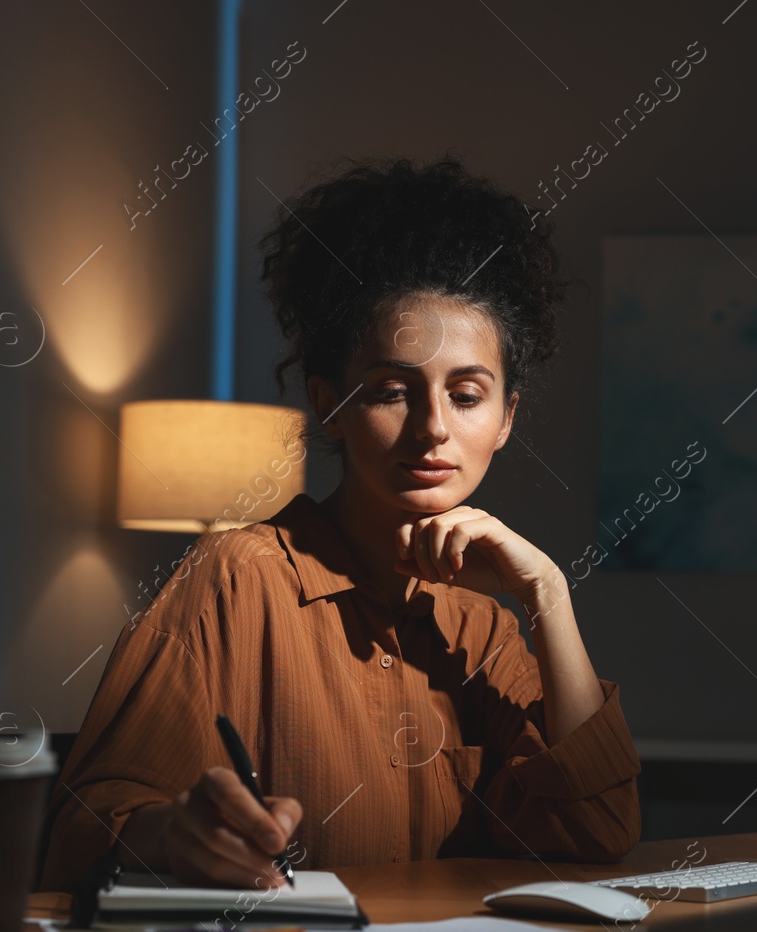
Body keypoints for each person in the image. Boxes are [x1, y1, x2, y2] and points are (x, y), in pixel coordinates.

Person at [39, 156, 641, 892]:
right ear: (330, 403)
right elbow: (82, 830)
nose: (432, 429)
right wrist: (172, 835)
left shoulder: (486, 627)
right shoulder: (233, 580)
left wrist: (548, 595)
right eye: (392, 390)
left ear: (506, 417)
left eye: (467, 394)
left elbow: (600, 833)